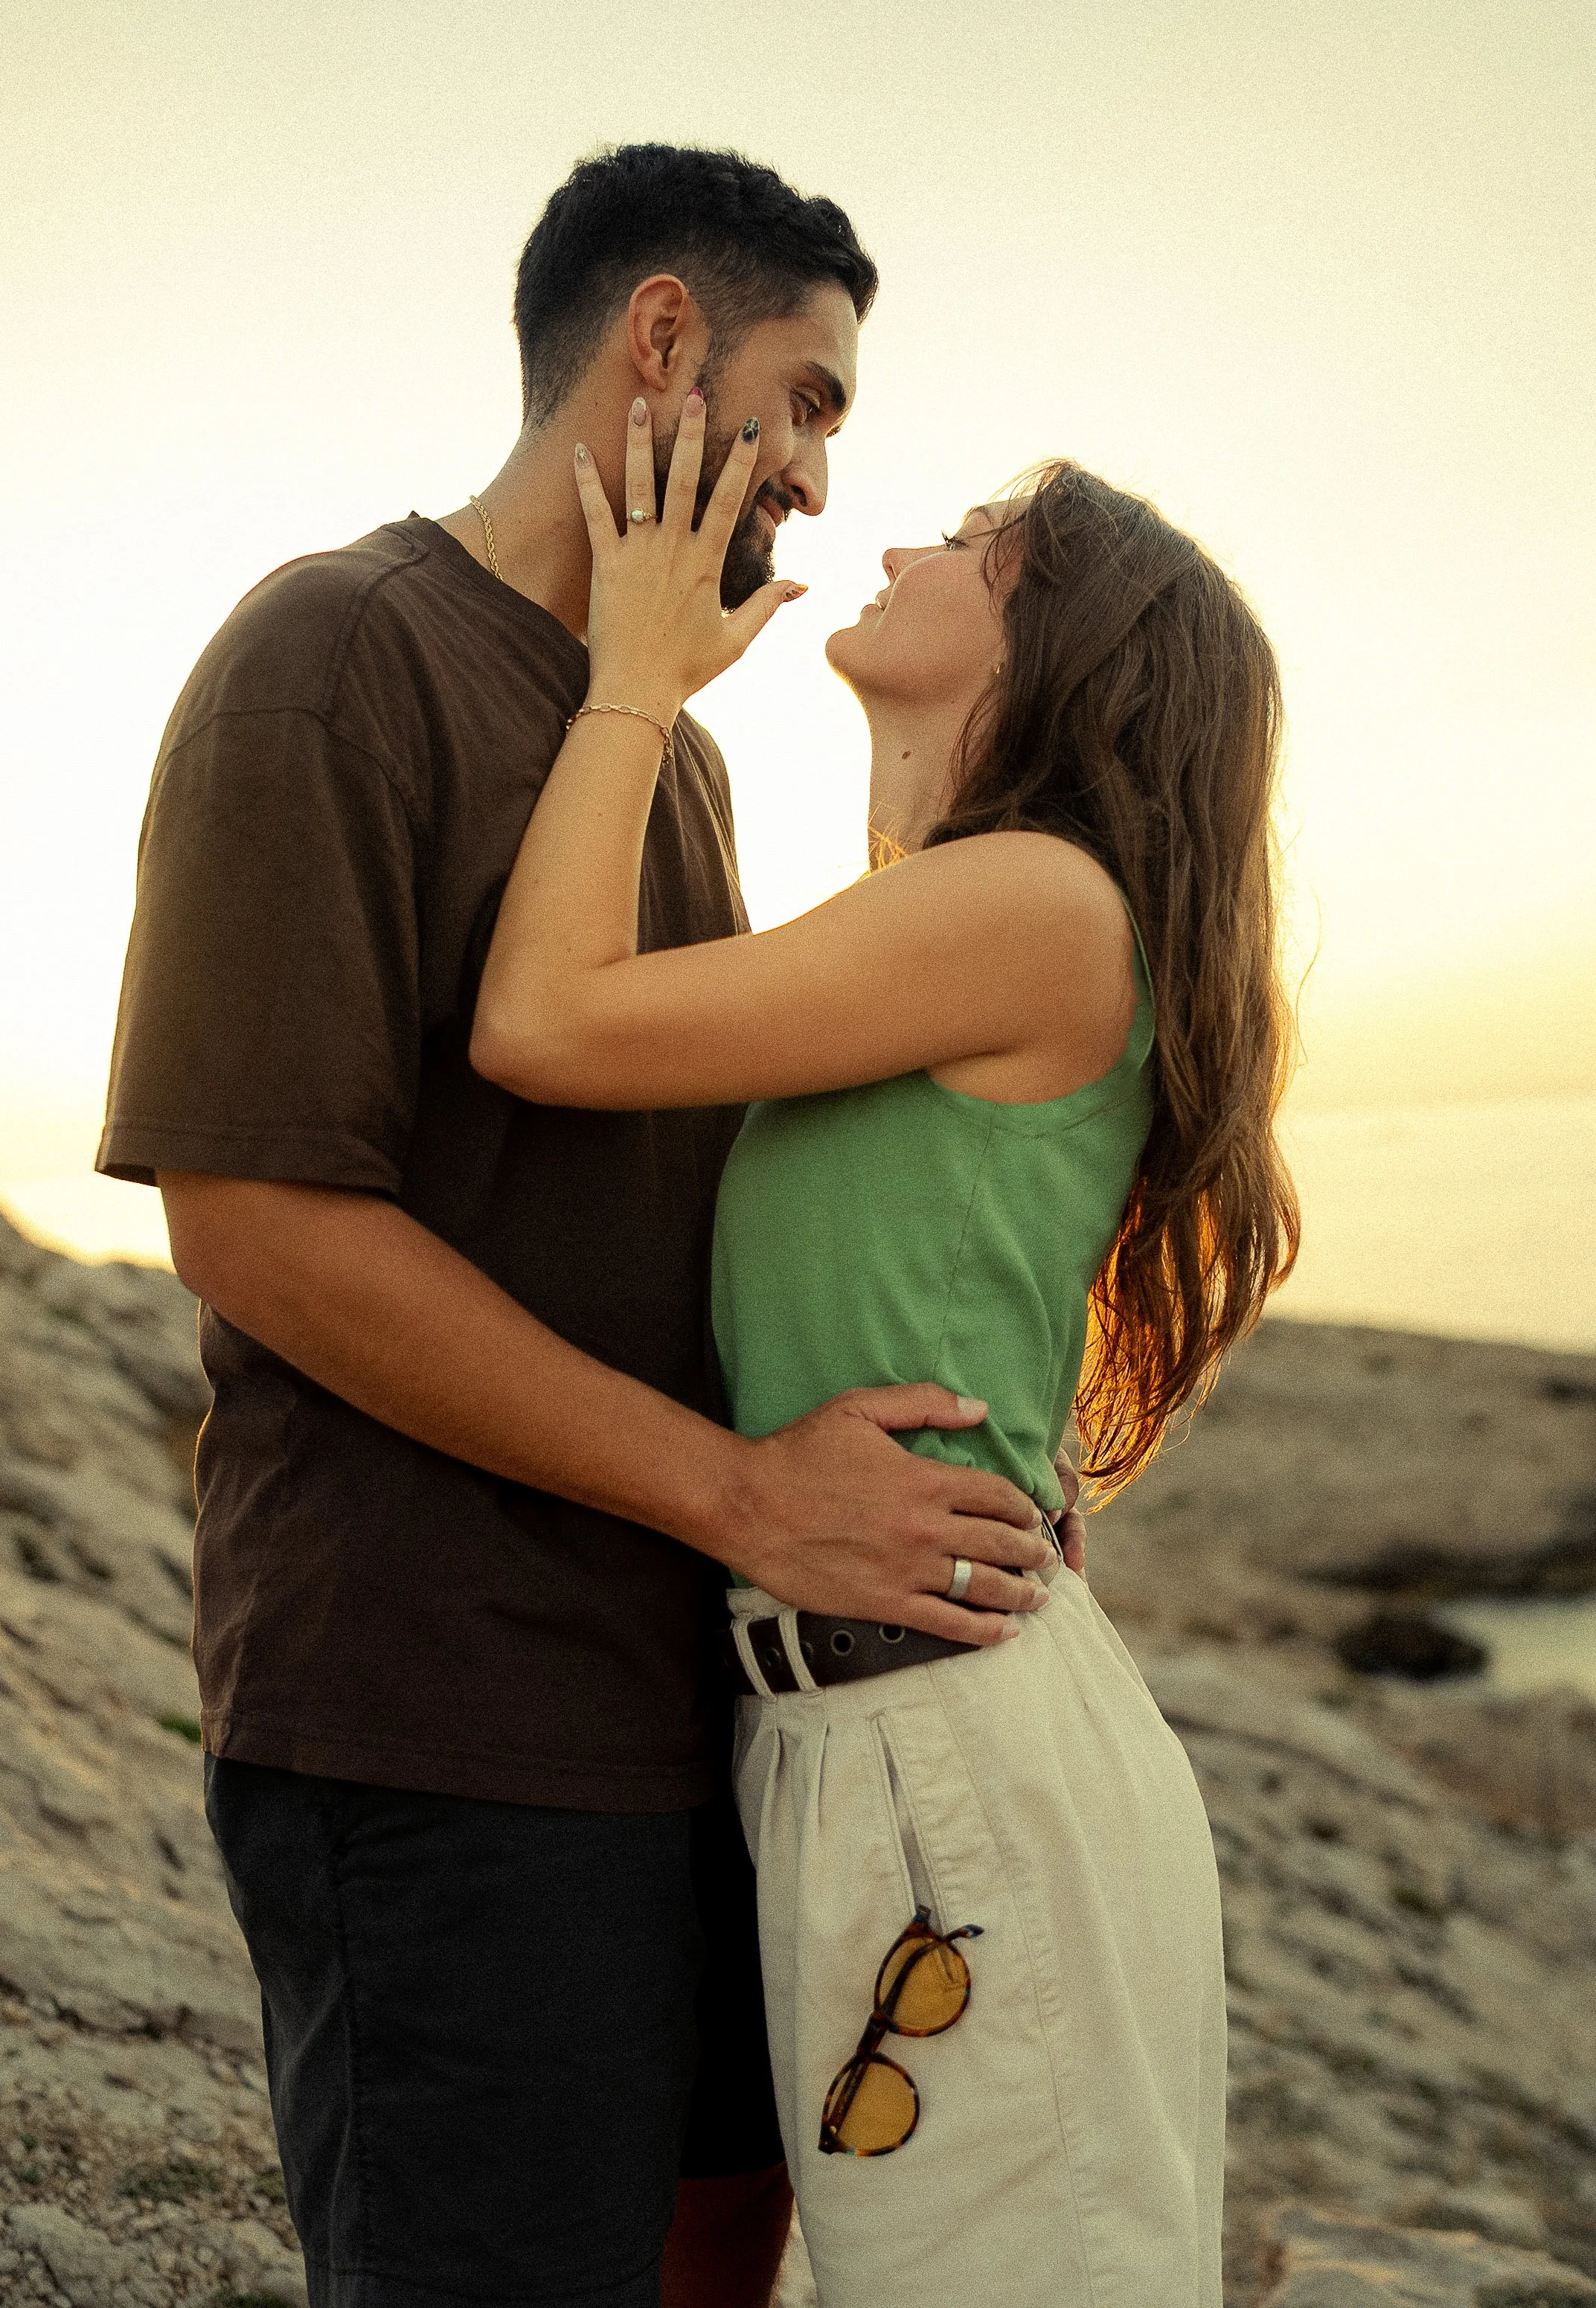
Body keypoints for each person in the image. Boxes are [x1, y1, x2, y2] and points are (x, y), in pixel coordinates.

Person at [96, 144, 1063, 2308]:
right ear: (659, 345)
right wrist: (740, 1493)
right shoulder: (334, 656)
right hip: (441, 1721)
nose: (820, 473)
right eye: (807, 399)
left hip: (690, 1708)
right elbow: (254, 1227)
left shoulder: (679, 764)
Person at [472, 401, 1301, 2307]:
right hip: (882, 1729)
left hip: (939, 1747)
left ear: (1063, 642)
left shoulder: (1030, 900)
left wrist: (633, 676)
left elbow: (541, 1024)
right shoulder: (980, 912)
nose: (902, 543)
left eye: (975, 540)